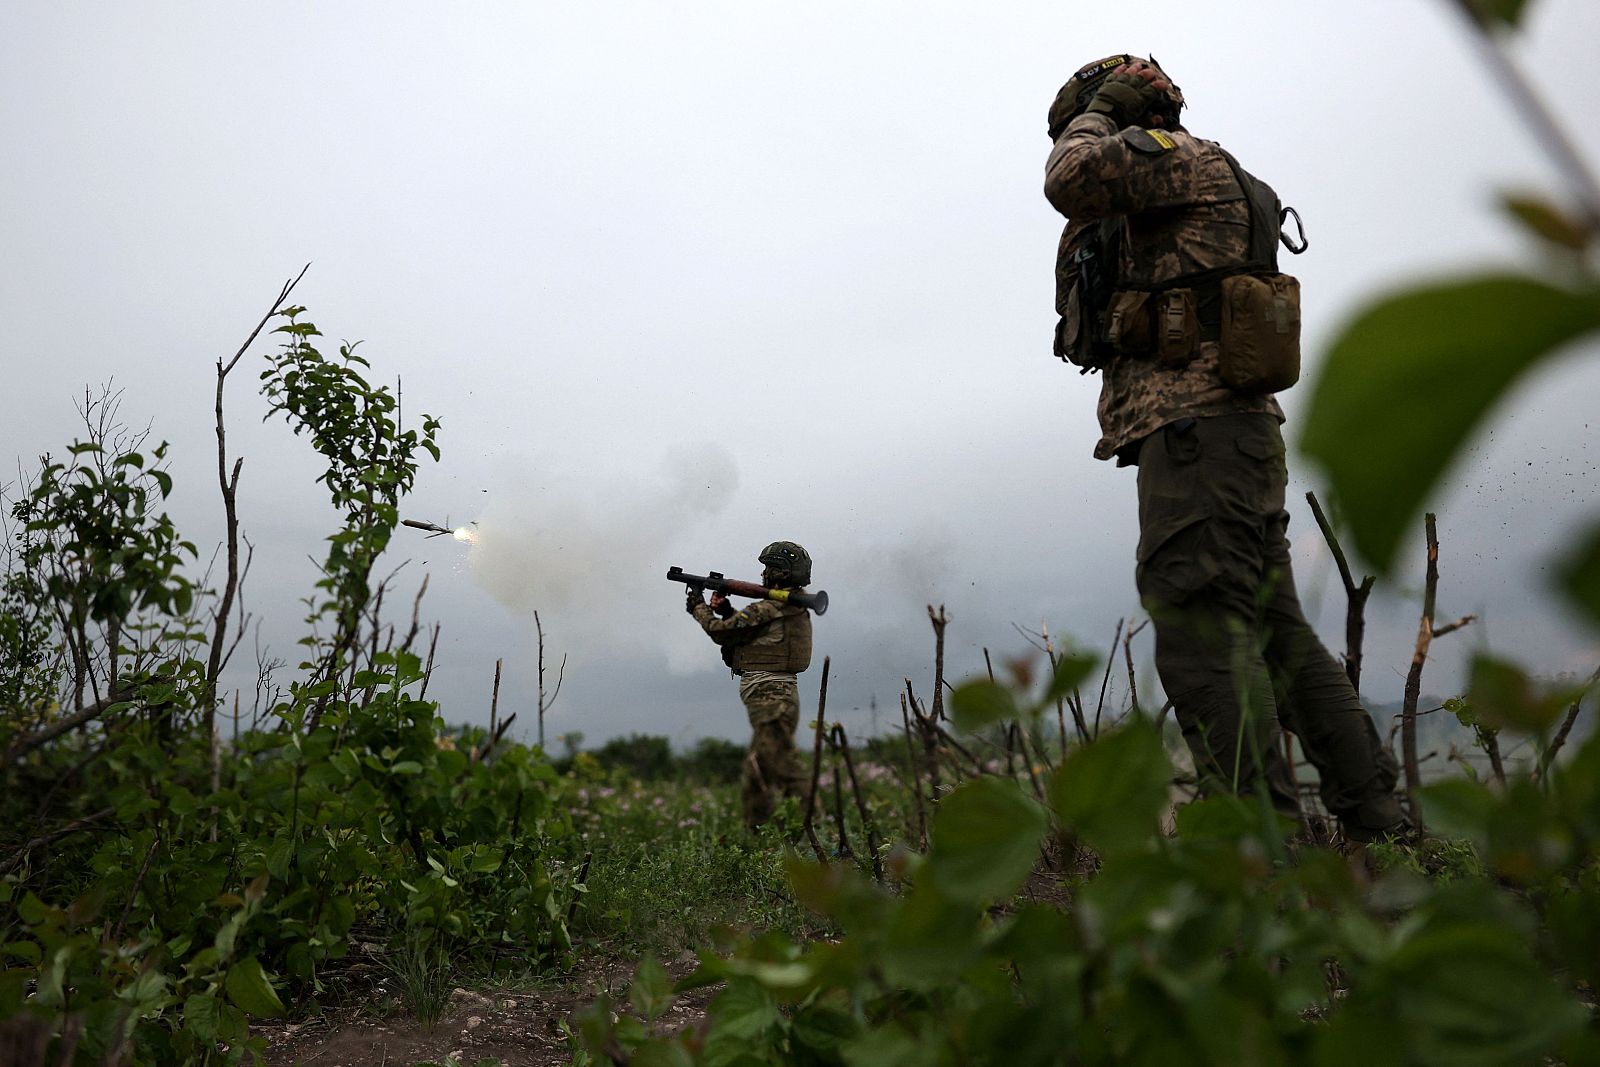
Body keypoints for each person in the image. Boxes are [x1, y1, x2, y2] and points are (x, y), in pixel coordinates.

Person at [1043, 55, 1407, 841]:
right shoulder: (1198, 176)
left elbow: (1069, 178)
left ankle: (1254, 852)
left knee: (1198, 623)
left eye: (1095, 111)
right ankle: (1378, 820)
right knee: (1274, 630)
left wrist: (1097, 115)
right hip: (1225, 438)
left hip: (1199, 434)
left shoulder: (1177, 162)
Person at [686, 541, 814, 830]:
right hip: (776, 694)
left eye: (768, 568)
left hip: (770, 696)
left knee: (785, 765)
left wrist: (699, 609)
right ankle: (758, 835)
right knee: (757, 772)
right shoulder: (793, 607)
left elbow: (721, 633)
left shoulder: (770, 608)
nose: (763, 573)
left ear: (780, 574)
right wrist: (729, 610)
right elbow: (749, 635)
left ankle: (817, 832)